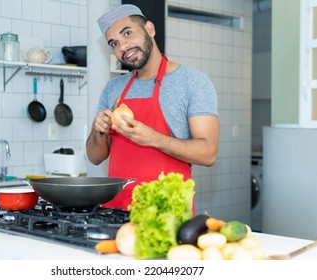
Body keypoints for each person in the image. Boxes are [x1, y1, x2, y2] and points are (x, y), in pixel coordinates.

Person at [86, 4, 219, 211]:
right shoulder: (113, 88)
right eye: (114, 43)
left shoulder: (192, 82)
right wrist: (98, 130)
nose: (123, 47)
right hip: (116, 211)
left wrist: (153, 138)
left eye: (128, 33)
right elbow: (95, 157)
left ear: (150, 29)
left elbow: (208, 153)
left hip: (166, 212)